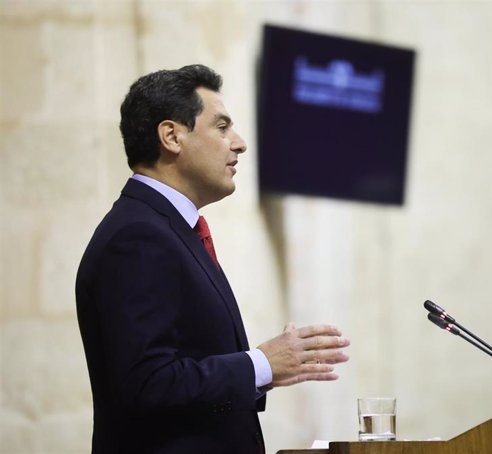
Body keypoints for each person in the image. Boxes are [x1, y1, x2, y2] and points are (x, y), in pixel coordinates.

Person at [75, 64, 350, 454]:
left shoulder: (167, 229)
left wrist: (262, 370)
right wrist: (260, 364)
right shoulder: (137, 237)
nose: (238, 143)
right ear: (171, 136)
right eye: (221, 127)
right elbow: (146, 384)